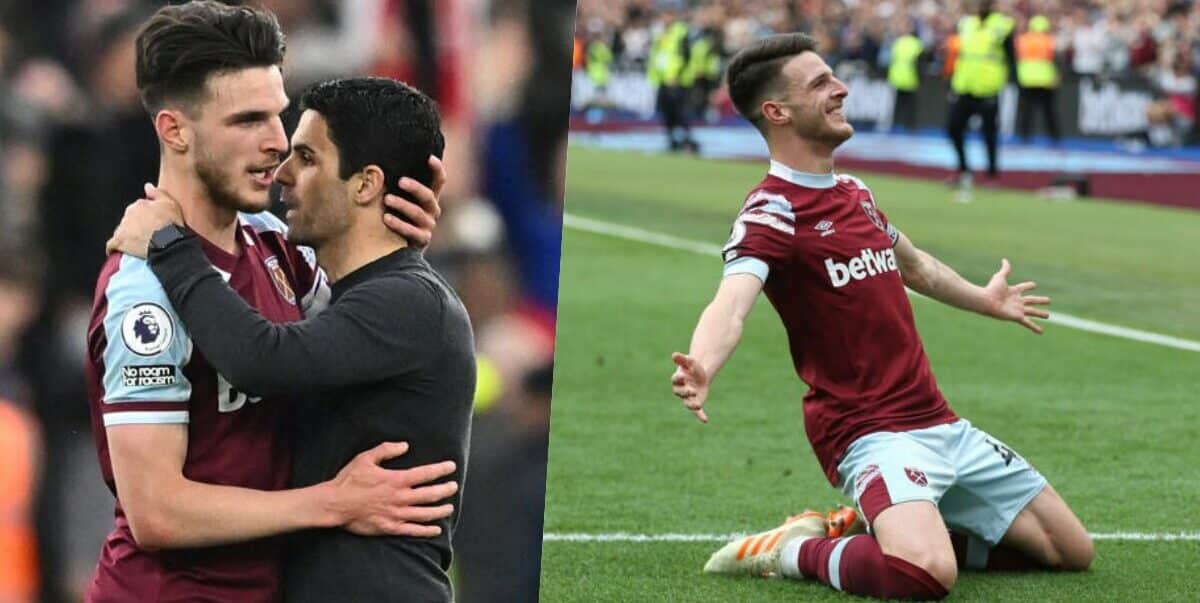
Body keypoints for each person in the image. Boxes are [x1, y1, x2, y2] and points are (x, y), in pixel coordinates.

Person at [670, 33, 1092, 600]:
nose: (841, 88)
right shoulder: (771, 210)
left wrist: (985, 299)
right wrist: (702, 363)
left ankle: (883, 527)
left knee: (1070, 552)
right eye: (820, 83)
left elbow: (916, 266)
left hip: (938, 421)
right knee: (923, 575)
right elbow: (732, 302)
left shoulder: (855, 193)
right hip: (868, 431)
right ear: (777, 111)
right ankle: (792, 547)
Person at [84, 3, 453, 601]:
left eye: (279, 115)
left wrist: (392, 236)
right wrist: (331, 503)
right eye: (248, 120)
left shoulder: (278, 248)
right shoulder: (143, 291)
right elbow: (156, 511)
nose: (277, 143)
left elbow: (356, 329)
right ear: (175, 130)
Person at [947, 0, 1016, 190]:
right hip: (963, 86)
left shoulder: (1003, 25)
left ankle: (992, 175)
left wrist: (1014, 82)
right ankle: (963, 170)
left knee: (989, 134)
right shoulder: (966, 23)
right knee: (953, 128)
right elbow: (961, 55)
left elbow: (1011, 57)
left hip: (988, 88)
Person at [1015, 14, 1060, 144]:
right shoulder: (1049, 40)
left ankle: (1024, 137)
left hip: (1026, 79)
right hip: (1045, 80)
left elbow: (1016, 59)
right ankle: (1054, 137)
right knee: (1049, 112)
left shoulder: (1022, 40)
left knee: (1026, 112)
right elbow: (1056, 60)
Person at [887, 16, 924, 132]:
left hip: (904, 78)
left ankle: (900, 125)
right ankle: (905, 125)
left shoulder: (901, 42)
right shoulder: (915, 43)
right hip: (905, 78)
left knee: (904, 105)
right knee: (905, 105)